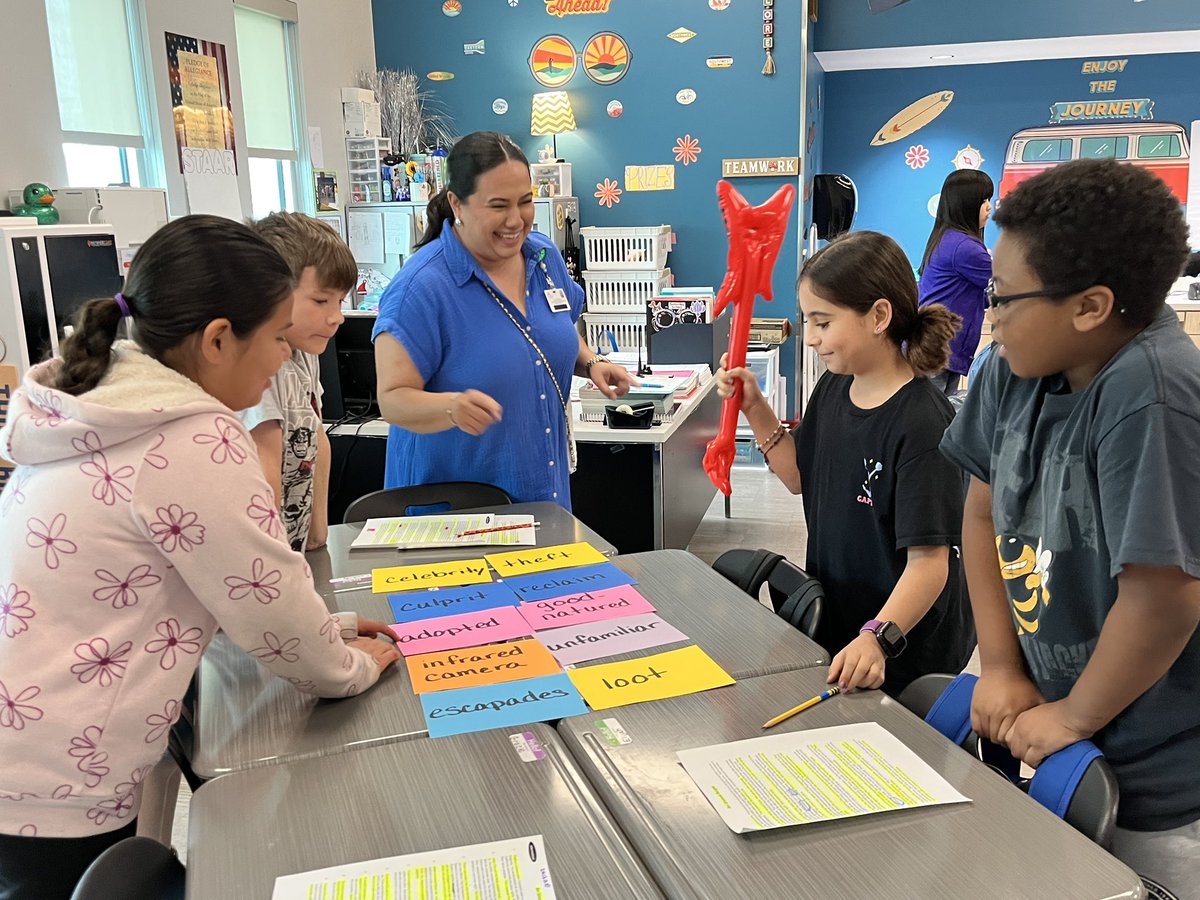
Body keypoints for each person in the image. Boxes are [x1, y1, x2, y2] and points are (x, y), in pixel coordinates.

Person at [0, 215, 400, 900]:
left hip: (28, 740)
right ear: (219, 340)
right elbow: (271, 604)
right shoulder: (194, 439)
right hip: (59, 770)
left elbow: (221, 591)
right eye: (277, 338)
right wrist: (350, 665)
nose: (284, 357)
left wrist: (326, 628)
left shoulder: (97, 401)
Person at [940, 158, 1200, 897]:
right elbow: (982, 511)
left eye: (1004, 298)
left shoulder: (1153, 396)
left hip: (1156, 780)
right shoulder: (1012, 367)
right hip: (1059, 730)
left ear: (1089, 307)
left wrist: (1073, 715)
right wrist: (999, 664)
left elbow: (1164, 599)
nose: (989, 316)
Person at [718, 230, 975, 697]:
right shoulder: (836, 388)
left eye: (823, 322)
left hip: (904, 648)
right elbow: (799, 477)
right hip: (842, 625)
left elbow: (929, 565)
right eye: (808, 322)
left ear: (879, 316)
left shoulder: (923, 423)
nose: (811, 339)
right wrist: (754, 407)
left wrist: (878, 636)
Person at [372, 131, 634, 509]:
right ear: (457, 205)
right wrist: (450, 408)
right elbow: (393, 400)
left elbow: (550, 331)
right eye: (498, 206)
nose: (516, 220)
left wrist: (591, 362)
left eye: (525, 201)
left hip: (543, 498)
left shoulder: (542, 257)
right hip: (454, 519)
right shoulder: (421, 288)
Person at [243, 212, 353, 551]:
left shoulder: (305, 349)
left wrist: (318, 535)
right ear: (271, 293)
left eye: (340, 301)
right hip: (265, 557)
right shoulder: (260, 364)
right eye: (321, 301)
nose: (337, 317)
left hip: (296, 547)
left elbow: (317, 435)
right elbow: (265, 471)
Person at [918, 169, 994, 395]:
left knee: (940, 412)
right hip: (938, 346)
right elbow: (1007, 283)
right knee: (933, 417)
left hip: (939, 344)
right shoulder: (964, 247)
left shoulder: (949, 238)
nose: (989, 206)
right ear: (966, 204)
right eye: (983, 200)